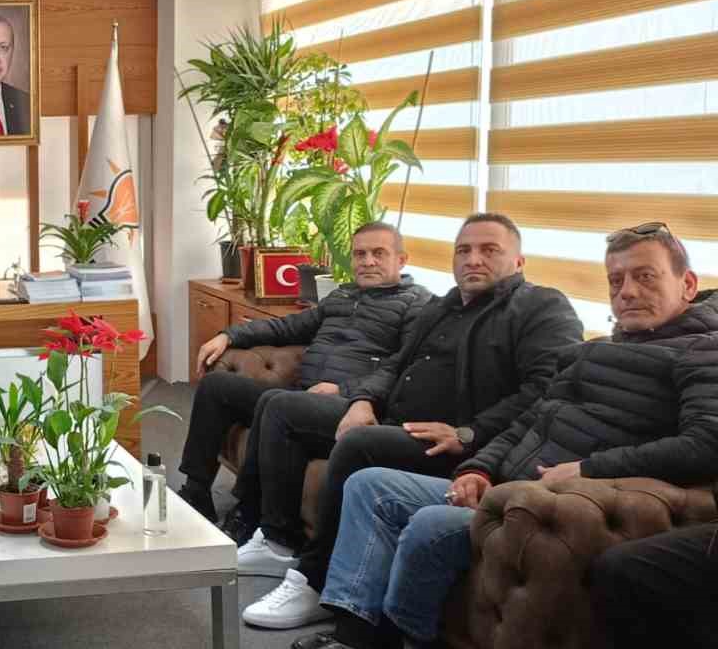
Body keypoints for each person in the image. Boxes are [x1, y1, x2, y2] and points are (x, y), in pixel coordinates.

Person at [289, 222, 718, 649]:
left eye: (645, 277)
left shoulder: (702, 351)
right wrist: (478, 469)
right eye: (616, 280)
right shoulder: (595, 349)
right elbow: (532, 417)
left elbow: (705, 443)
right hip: (504, 487)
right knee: (369, 485)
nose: (627, 292)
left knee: (429, 523)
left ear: (687, 284)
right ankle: (357, 633)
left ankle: (404, 637)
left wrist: (589, 469)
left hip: (551, 505)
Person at [241, 213, 583, 630]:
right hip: (396, 417)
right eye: (463, 250)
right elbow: (395, 363)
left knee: (358, 445)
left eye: (489, 250)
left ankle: (313, 580)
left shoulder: (541, 307)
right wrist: (364, 400)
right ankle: (274, 537)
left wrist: (470, 433)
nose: (473, 259)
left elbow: (545, 391)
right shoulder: (444, 305)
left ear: (519, 261)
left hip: (457, 442)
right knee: (284, 407)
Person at [182, 222, 433, 526]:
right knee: (216, 386)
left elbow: (404, 367)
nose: (368, 261)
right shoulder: (342, 295)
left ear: (401, 260)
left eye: (378, 253)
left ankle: (250, 513)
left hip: (350, 406)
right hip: (300, 395)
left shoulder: (417, 304)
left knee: (277, 404)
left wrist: (344, 390)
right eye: (360, 254)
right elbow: (286, 327)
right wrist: (228, 335)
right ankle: (196, 491)